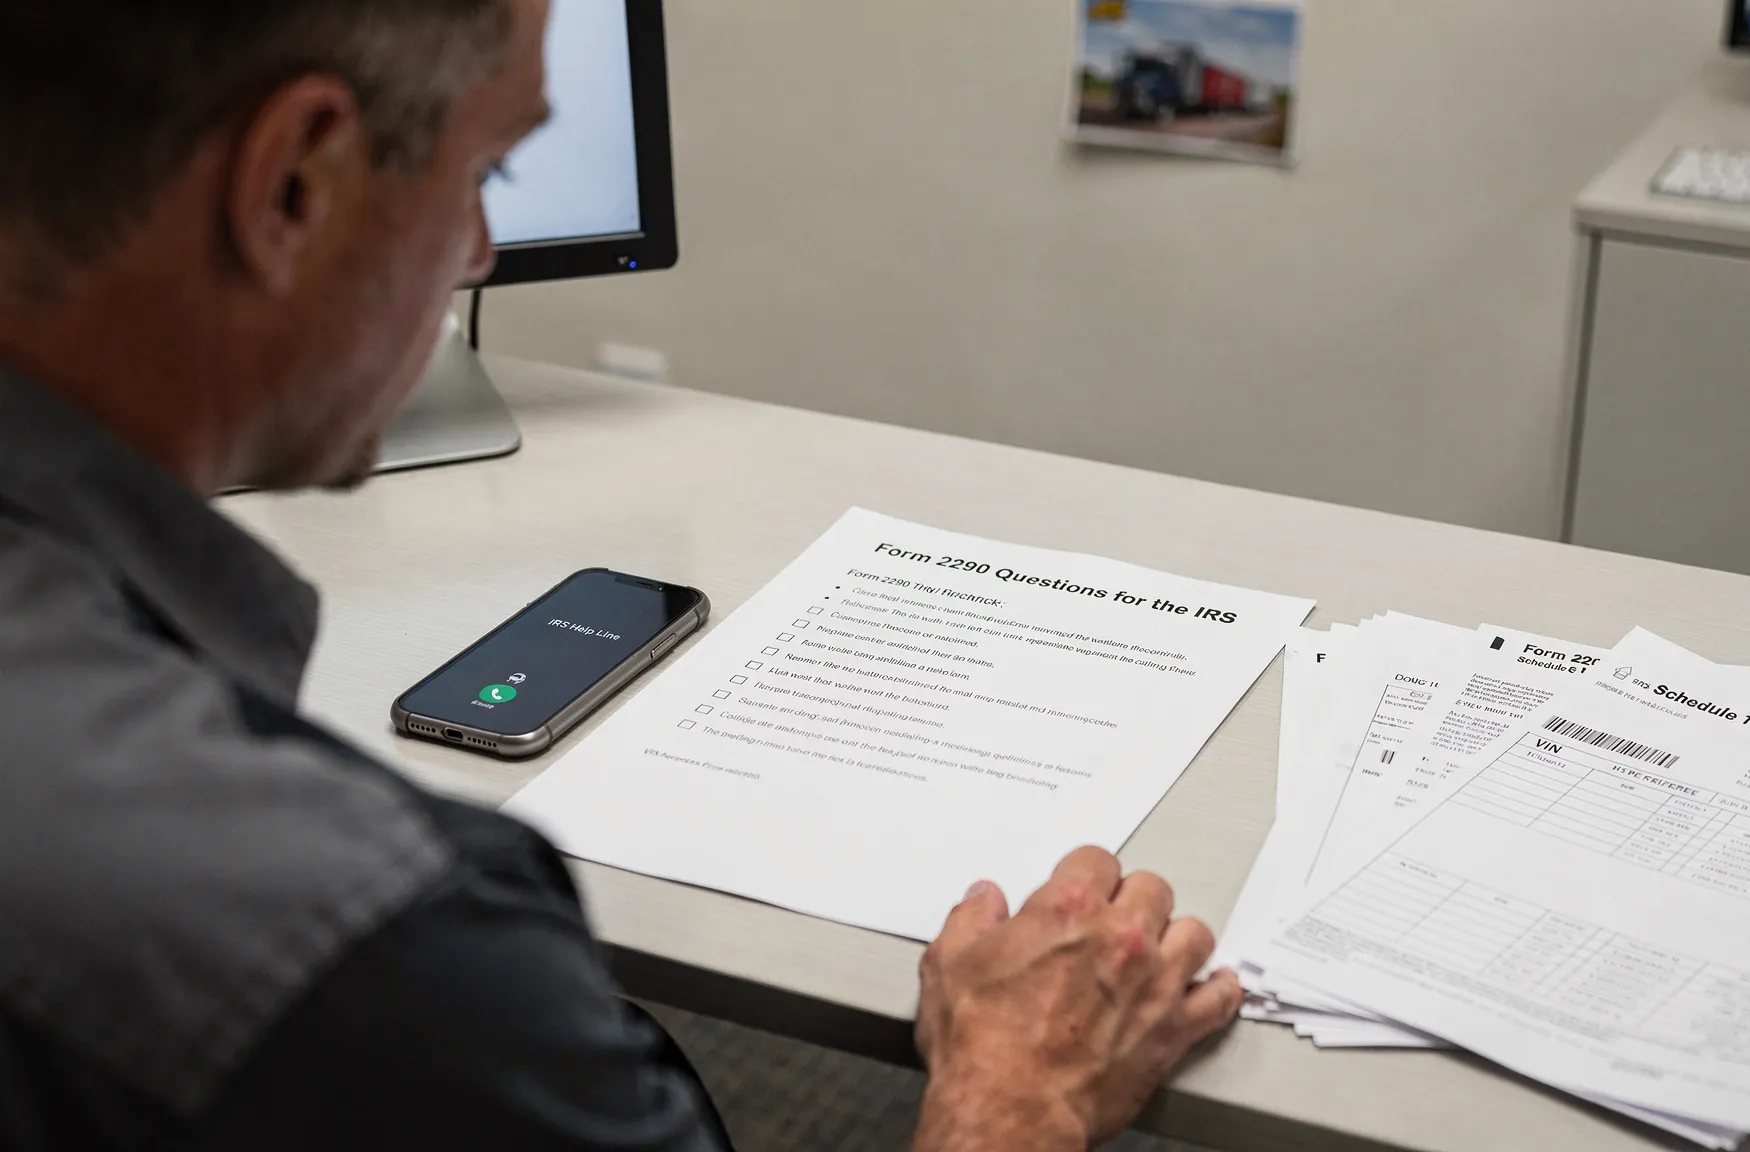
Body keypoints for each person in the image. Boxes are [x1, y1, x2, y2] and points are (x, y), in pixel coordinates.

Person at [0, 1, 1244, 1149]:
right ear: (290, 185)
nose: (480, 252)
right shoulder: (377, 942)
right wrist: (1012, 1098)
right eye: (483, 175)